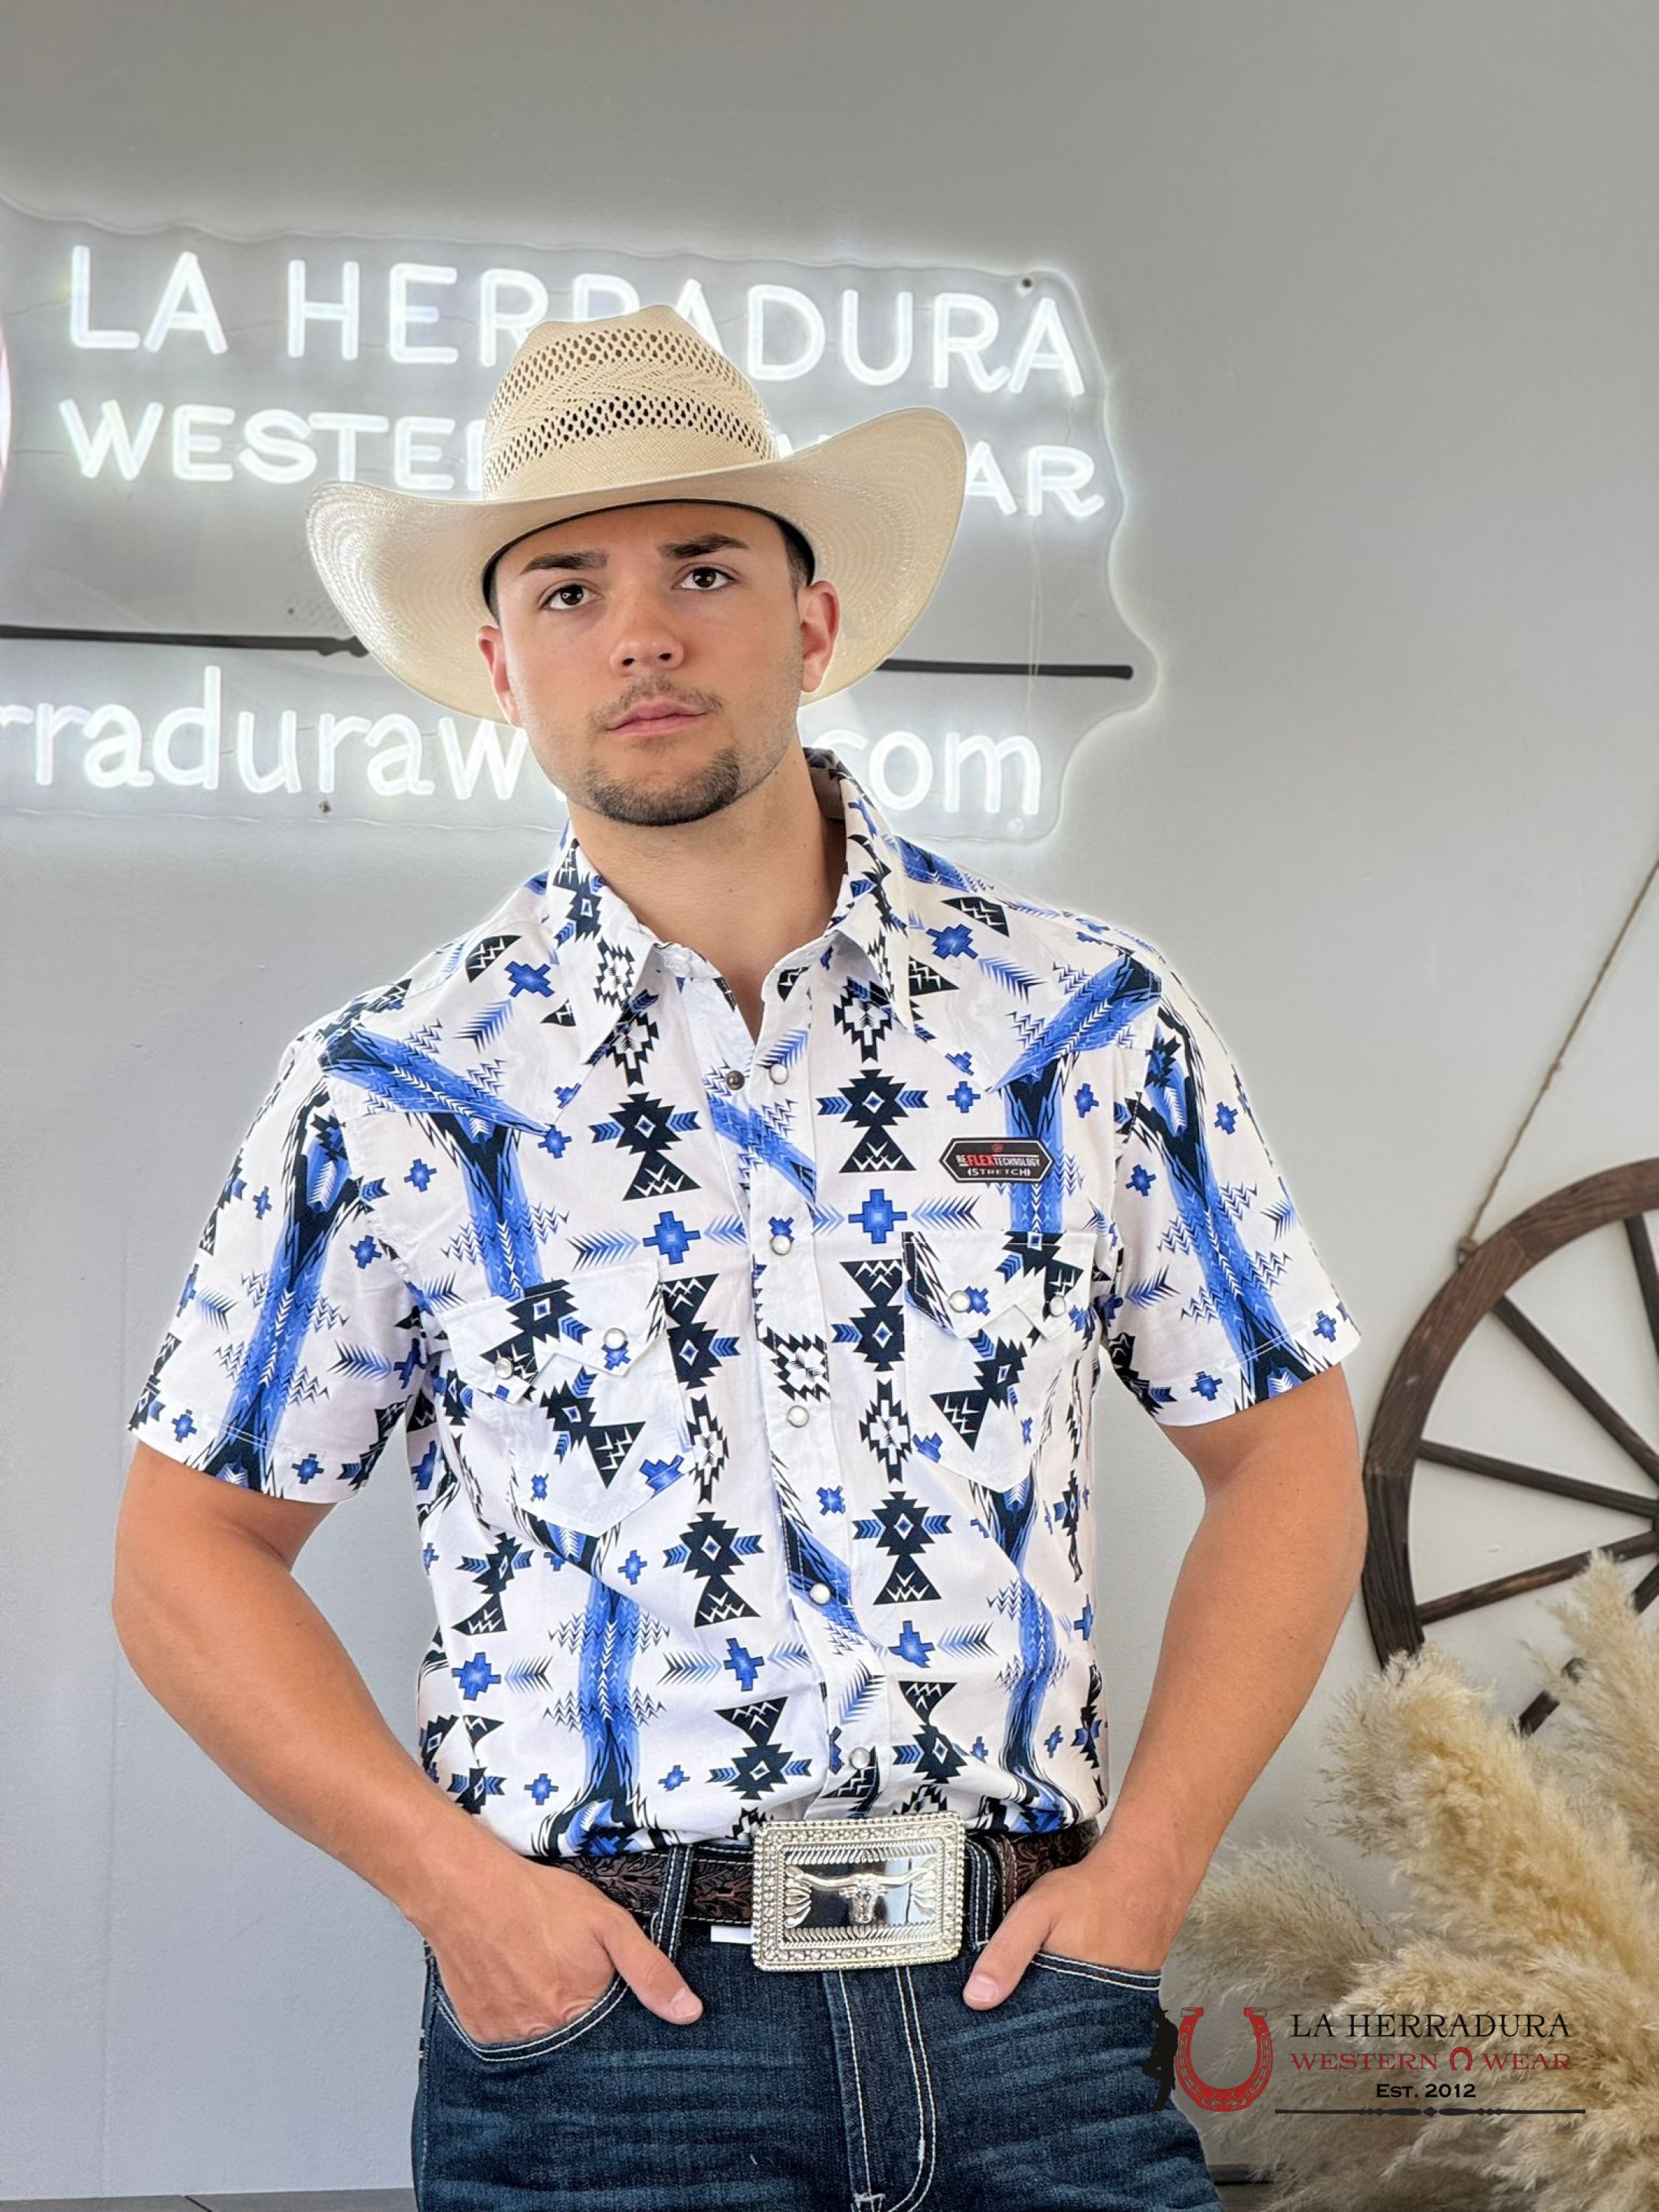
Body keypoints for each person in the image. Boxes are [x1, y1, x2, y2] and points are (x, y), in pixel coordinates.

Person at [114, 305, 1367, 2211]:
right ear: (500, 664)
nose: (642, 633)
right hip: (607, 2049)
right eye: (568, 589)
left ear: (812, 622)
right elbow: (185, 1548)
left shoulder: (1082, 1022)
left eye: (703, 568)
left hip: (1033, 2011)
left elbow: (1282, 1444)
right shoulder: (396, 1087)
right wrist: (457, 1894)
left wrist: (1153, 1869)